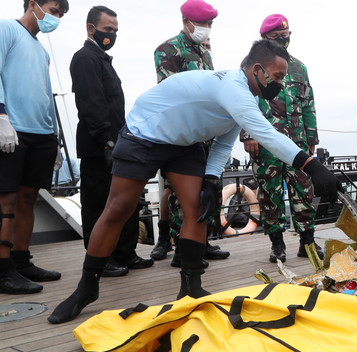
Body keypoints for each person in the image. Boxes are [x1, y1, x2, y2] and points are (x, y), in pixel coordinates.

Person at [48, 39, 343, 324]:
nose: (280, 84)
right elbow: (266, 134)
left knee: (198, 208)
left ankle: (190, 286)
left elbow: (225, 143)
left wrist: (212, 179)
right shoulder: (233, 88)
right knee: (118, 208)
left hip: (184, 143)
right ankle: (87, 286)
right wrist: (311, 165)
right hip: (145, 131)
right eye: (277, 76)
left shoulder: (247, 97)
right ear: (257, 70)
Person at [70, 5, 154, 279]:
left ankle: (125, 252)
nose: (111, 35)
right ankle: (99, 258)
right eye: (107, 30)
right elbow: (91, 104)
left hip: (118, 141)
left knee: (124, 200)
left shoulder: (103, 59)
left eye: (115, 31)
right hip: (98, 145)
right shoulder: (85, 58)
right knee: (97, 203)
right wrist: (106, 141)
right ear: (90, 29)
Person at [150, 0, 229, 265]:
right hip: (182, 134)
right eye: (203, 23)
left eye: (210, 24)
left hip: (205, 132)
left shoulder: (204, 52)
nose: (206, 29)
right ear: (186, 22)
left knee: (206, 188)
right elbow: (171, 92)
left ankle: (202, 243)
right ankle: (181, 248)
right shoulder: (168, 49)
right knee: (181, 193)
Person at [0, 0, 70, 295]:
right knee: (6, 200)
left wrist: (55, 138)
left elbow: (43, 92)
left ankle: (21, 260)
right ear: (32, 4)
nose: (55, 18)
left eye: (60, 15)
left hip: (42, 132)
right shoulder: (7, 29)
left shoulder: (41, 51)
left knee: (29, 197)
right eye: (53, 10)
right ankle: (3, 271)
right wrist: (1, 115)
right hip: (13, 129)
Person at [241, 14, 323, 263]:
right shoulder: (250, 65)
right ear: (265, 38)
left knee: (303, 191)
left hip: (297, 142)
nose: (283, 41)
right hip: (265, 144)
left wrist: (311, 138)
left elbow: (308, 104)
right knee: (269, 194)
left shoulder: (298, 67)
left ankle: (307, 241)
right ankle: (277, 244)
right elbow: (243, 102)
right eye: (277, 38)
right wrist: (247, 135)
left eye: (286, 37)